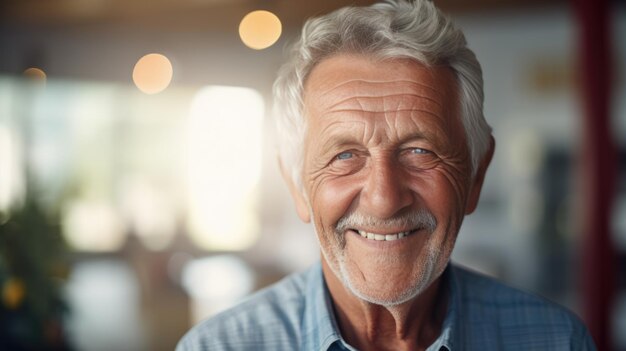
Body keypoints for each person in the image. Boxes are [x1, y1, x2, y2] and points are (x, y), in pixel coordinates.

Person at [177, 0, 596, 350]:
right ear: (296, 184)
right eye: (344, 155)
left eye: (419, 151)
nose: (384, 198)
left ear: (476, 173)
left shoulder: (557, 339)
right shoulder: (218, 346)